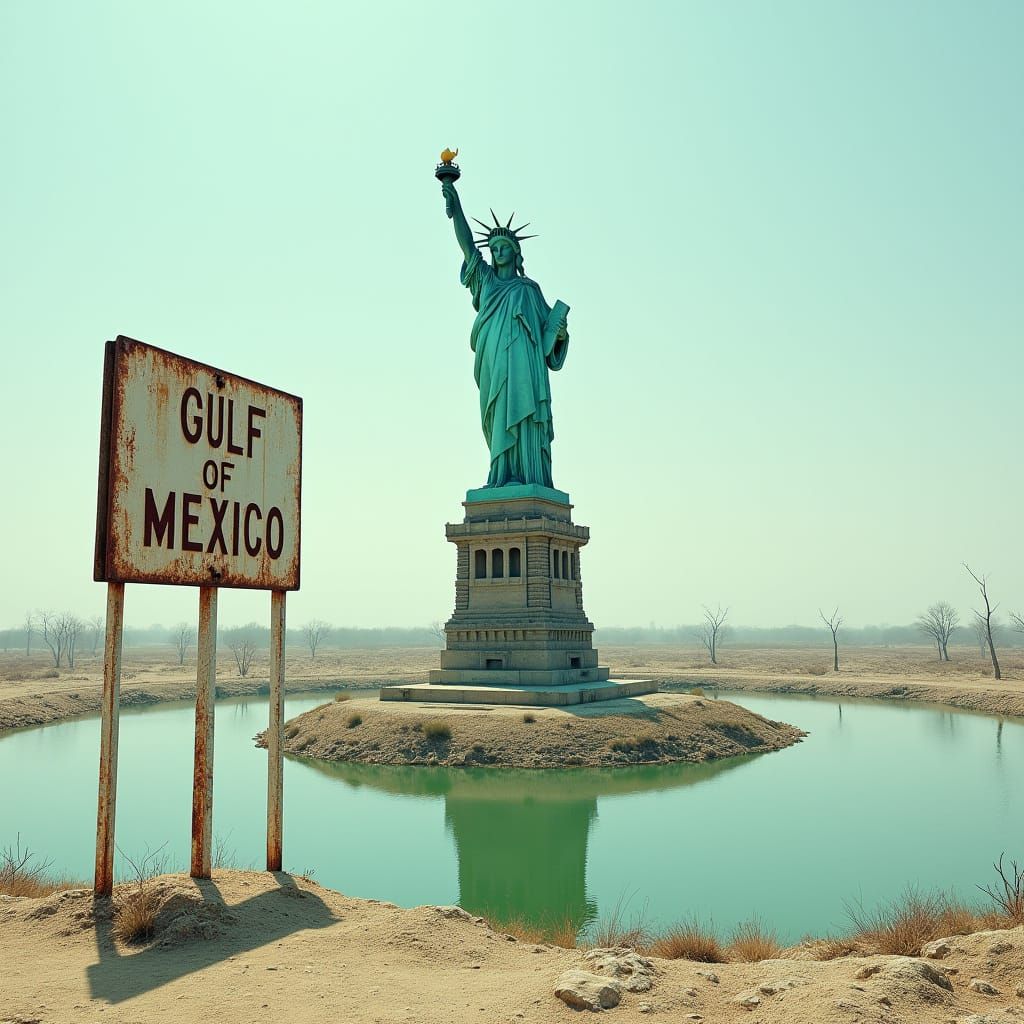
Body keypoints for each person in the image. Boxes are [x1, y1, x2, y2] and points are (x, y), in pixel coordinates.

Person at [441, 179, 569, 489]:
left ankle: (528, 476)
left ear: (515, 253)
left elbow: (548, 341)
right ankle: (500, 475)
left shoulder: (528, 290)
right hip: (494, 362)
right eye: (494, 248)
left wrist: (560, 333)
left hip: (525, 367)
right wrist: (454, 201)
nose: (497, 252)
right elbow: (467, 245)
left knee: (525, 417)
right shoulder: (485, 281)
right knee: (498, 415)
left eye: (503, 248)